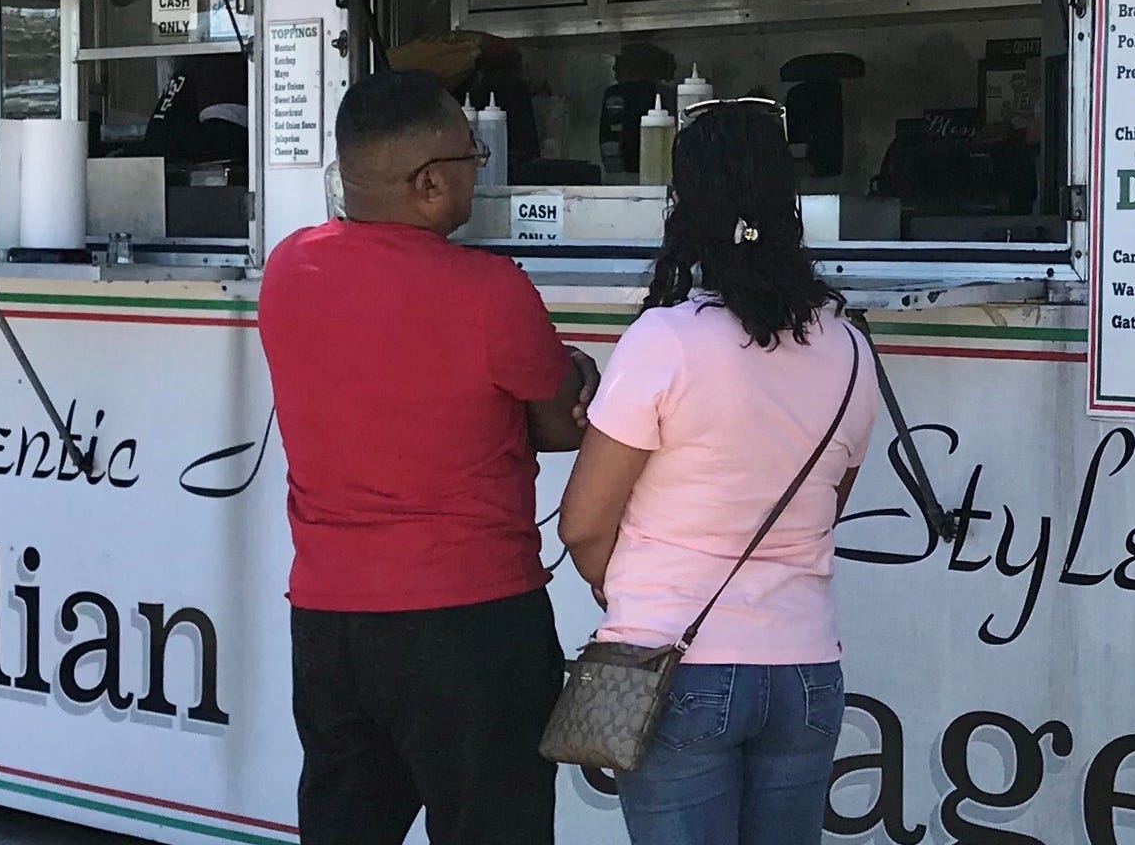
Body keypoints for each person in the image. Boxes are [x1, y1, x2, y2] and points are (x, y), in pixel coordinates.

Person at [259, 68, 599, 845]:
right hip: (470, 620)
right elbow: (563, 422)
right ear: (429, 182)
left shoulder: (288, 267)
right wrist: (575, 369)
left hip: (329, 621)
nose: (479, 169)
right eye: (473, 154)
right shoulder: (488, 289)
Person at [559, 98, 878, 845]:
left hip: (676, 667)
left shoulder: (665, 340)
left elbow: (582, 525)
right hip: (806, 673)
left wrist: (623, 585)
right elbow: (823, 508)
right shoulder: (851, 348)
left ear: (686, 208)